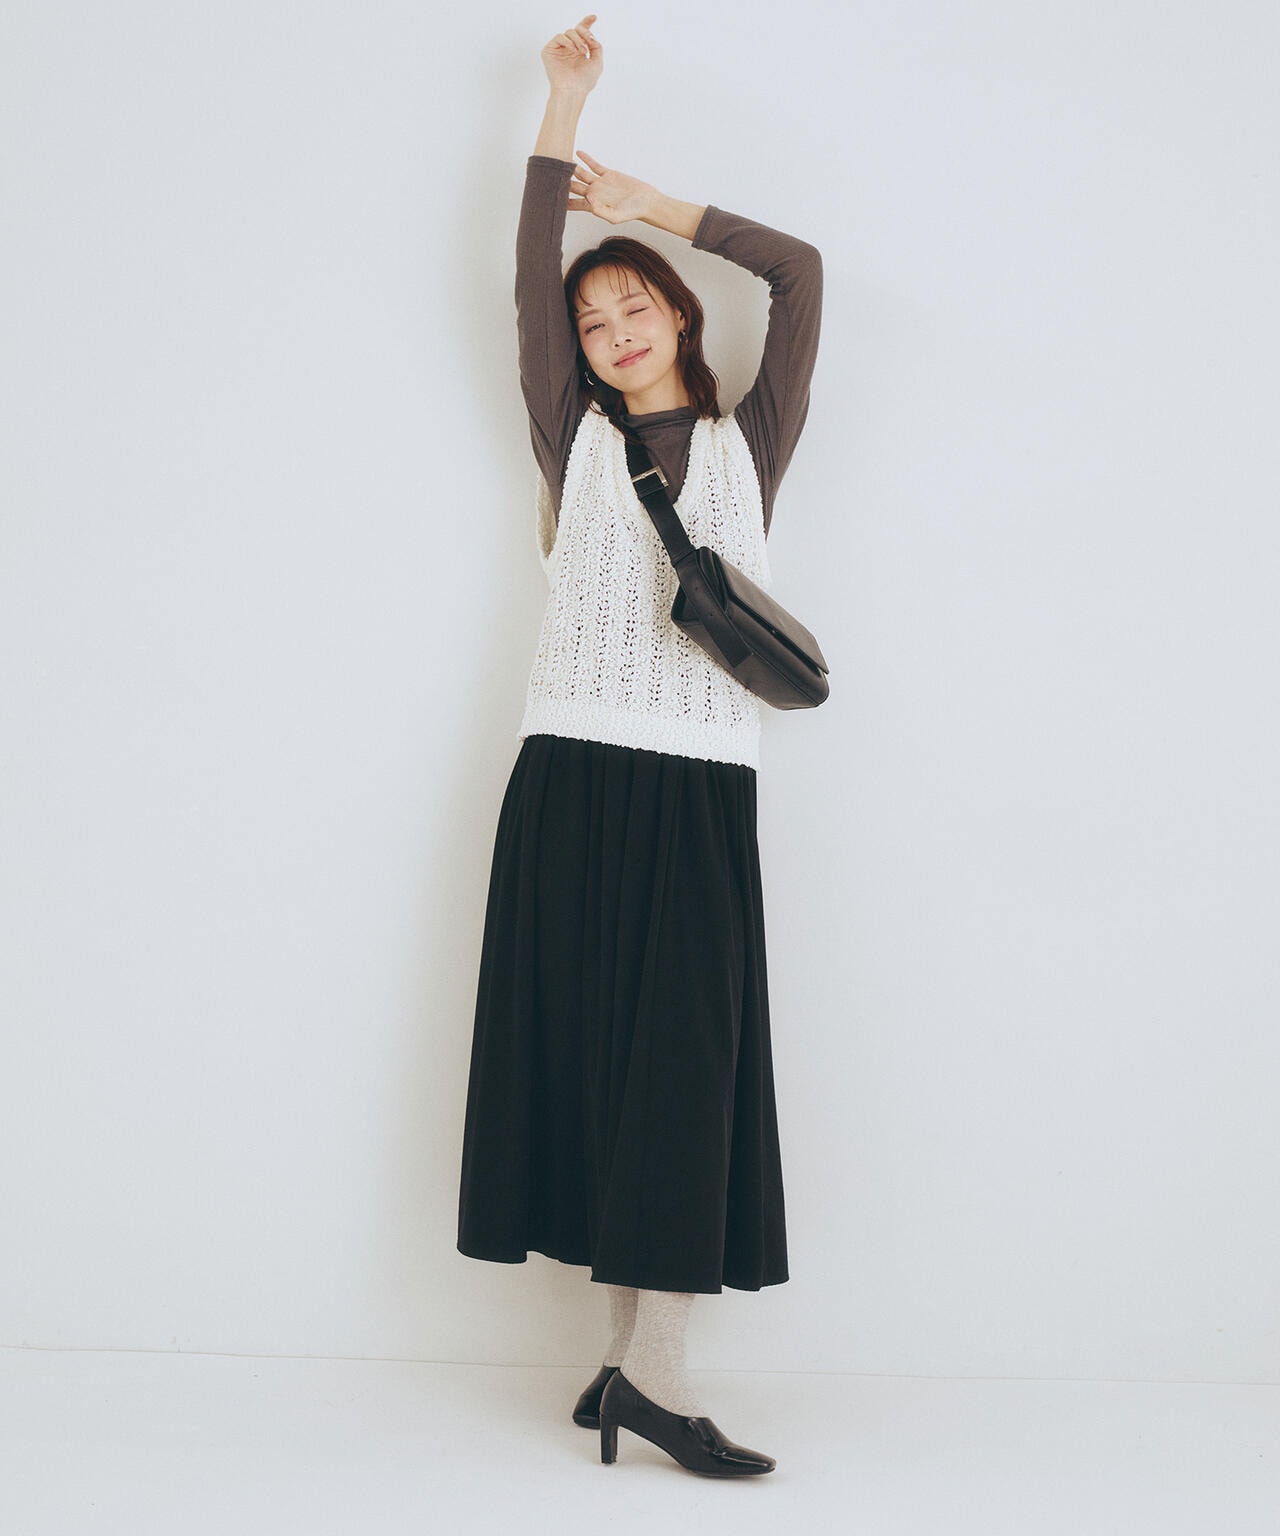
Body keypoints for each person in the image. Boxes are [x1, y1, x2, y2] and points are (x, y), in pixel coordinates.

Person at [456, 15, 822, 1478]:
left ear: (678, 313)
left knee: (681, 1068)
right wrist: (560, 113)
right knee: (603, 1063)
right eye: (593, 319)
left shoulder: (752, 442)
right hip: (570, 775)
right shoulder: (571, 433)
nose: (611, 331)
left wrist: (649, 206)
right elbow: (527, 270)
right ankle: (636, 1379)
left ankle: (641, 1376)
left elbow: (800, 272)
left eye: (633, 307)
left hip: (699, 787)